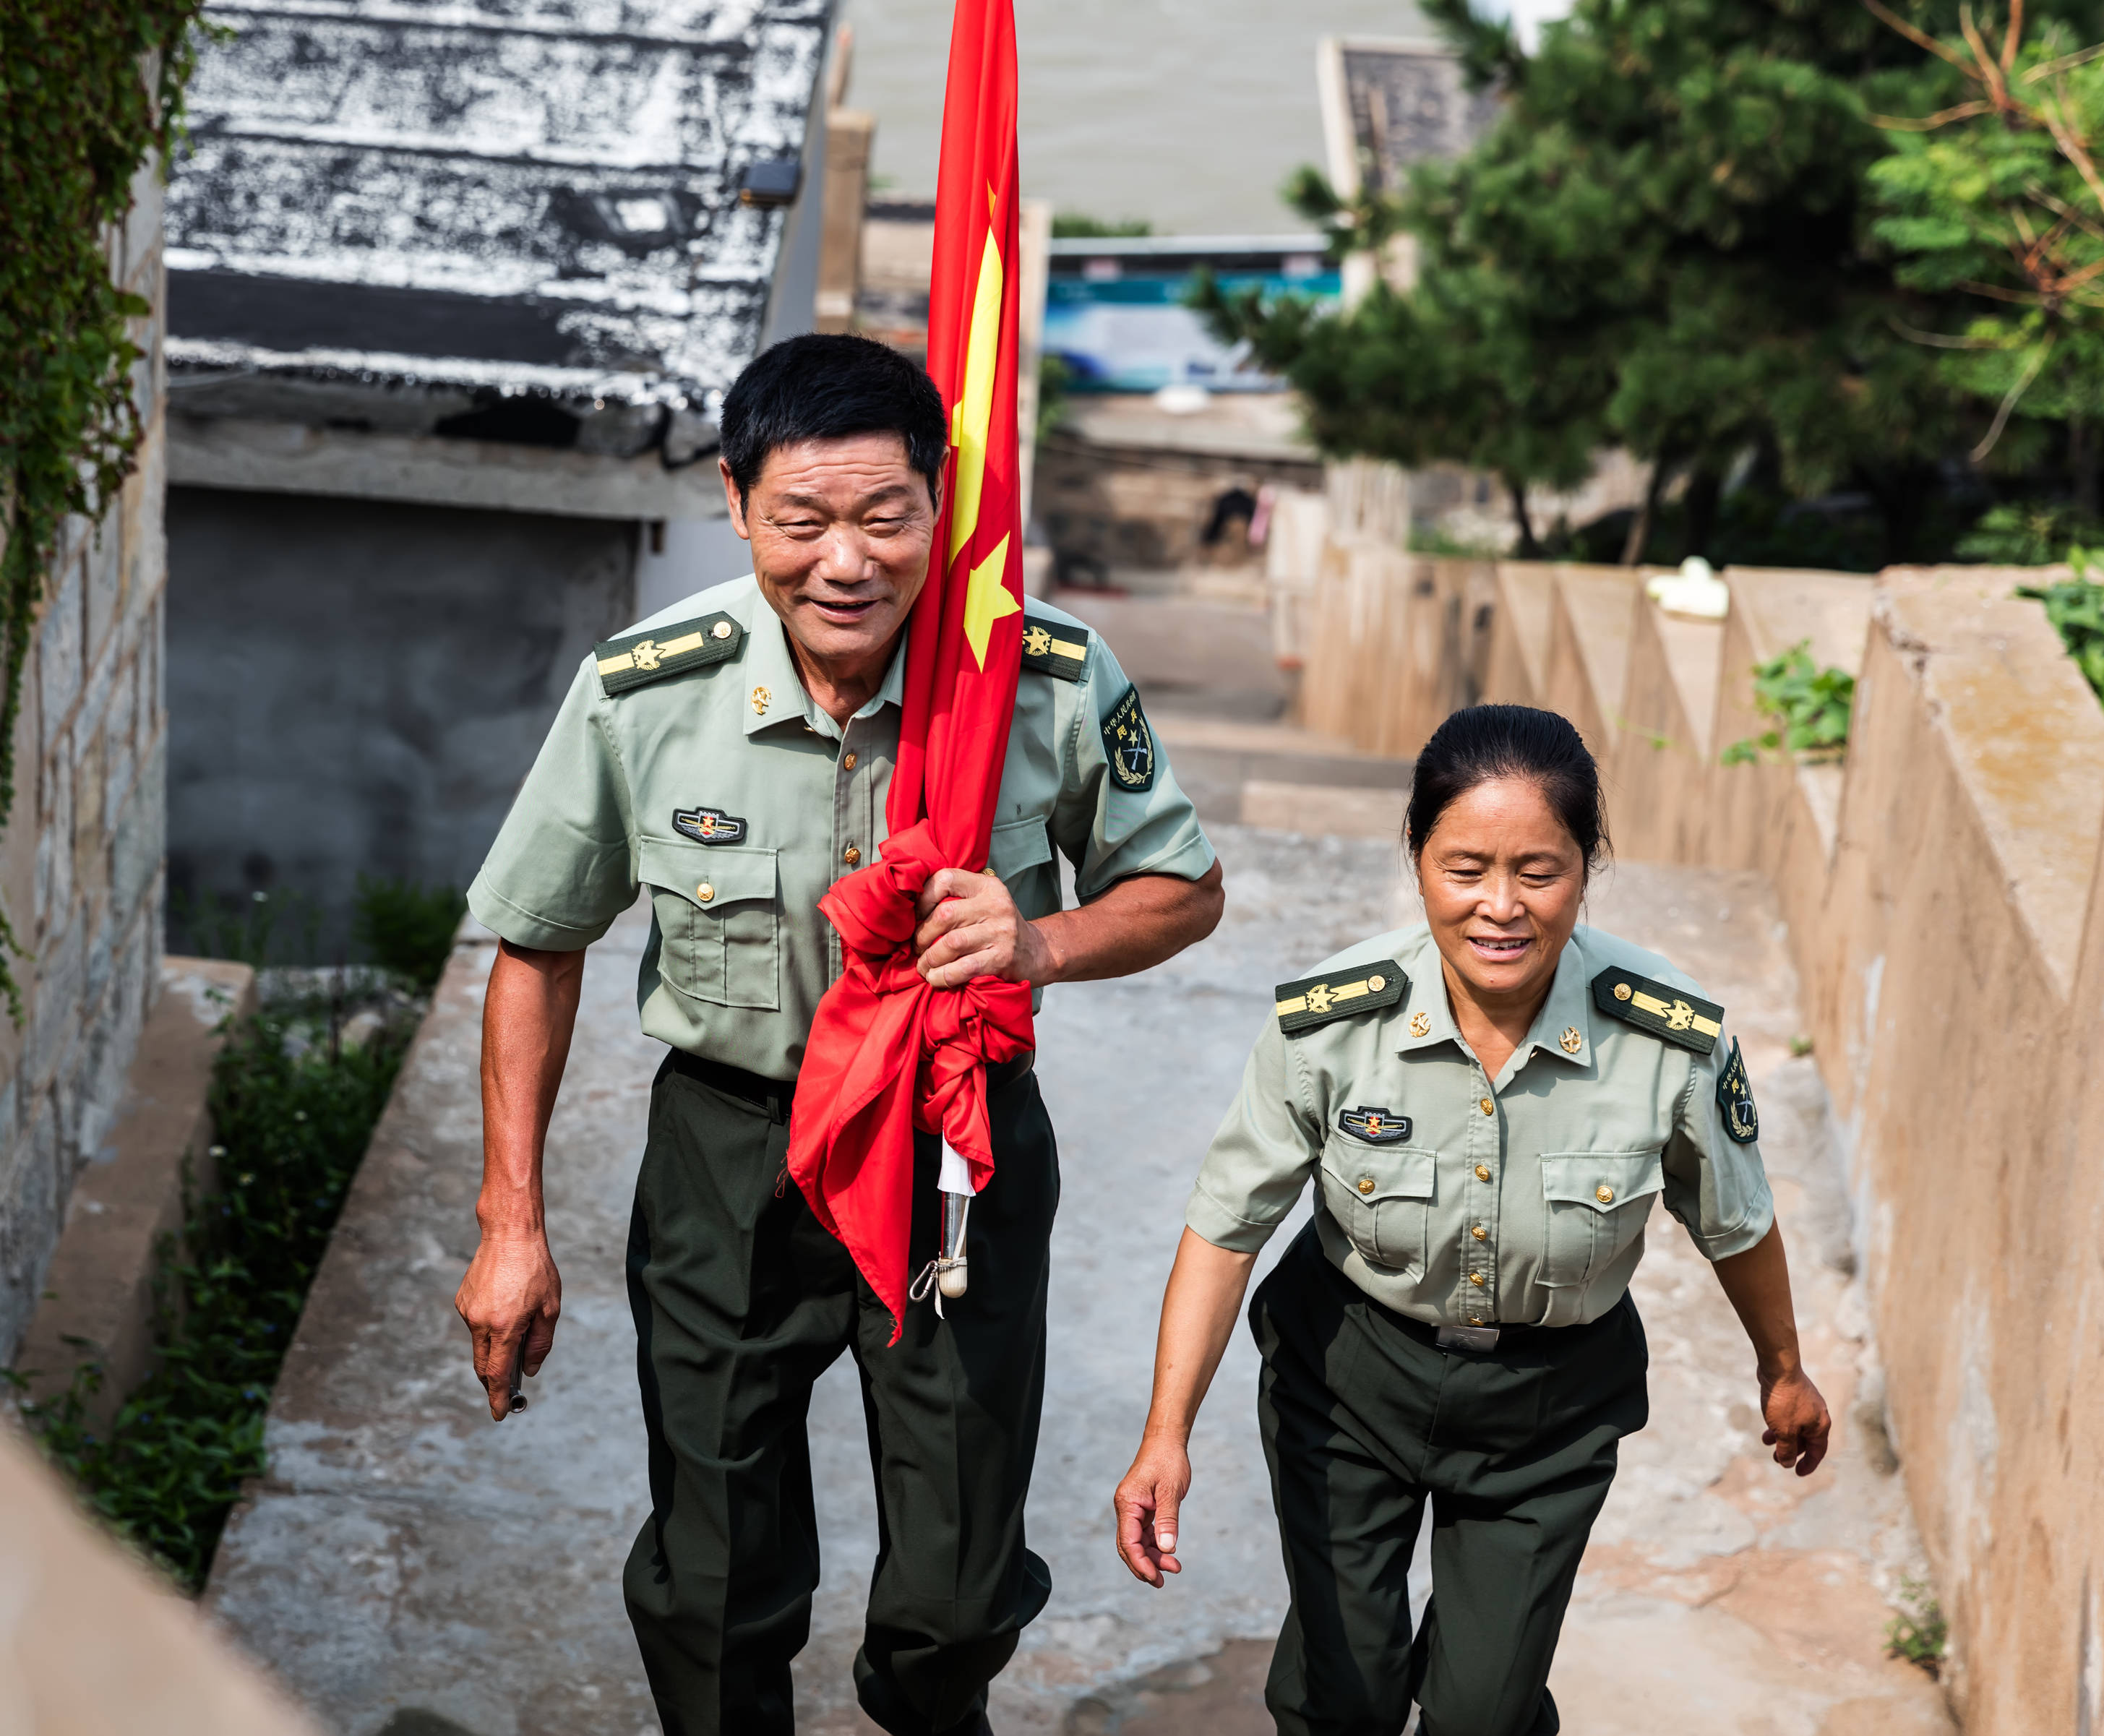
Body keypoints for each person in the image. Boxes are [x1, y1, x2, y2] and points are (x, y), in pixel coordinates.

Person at [454, 332, 1224, 1736]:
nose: (846, 561)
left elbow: (1185, 890)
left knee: (953, 1591)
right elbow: (538, 939)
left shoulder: (1036, 676)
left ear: (943, 501)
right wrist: (513, 1220)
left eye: (887, 517)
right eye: (801, 521)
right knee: (712, 1575)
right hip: (728, 1146)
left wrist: (1039, 938)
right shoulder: (648, 688)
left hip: (955, 1146)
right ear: (737, 504)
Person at [1111, 703, 1830, 1736]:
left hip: (1549, 1408)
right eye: (1466, 868)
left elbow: (1736, 1219)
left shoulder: (1669, 1037)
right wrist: (1164, 1436)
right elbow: (1227, 1228)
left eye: (1539, 871)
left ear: (1589, 864)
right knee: (1341, 1697)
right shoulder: (1330, 1025)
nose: (1501, 906)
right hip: (1350, 1378)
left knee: (1483, 1715)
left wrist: (1784, 1365)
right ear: (1417, 858)